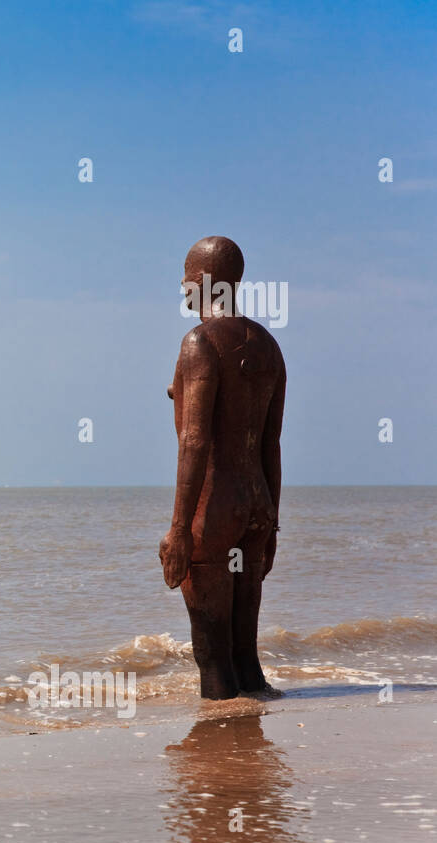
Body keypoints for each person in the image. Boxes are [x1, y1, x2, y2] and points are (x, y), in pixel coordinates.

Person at [160, 237, 286, 700]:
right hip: (256, 505)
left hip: (214, 510)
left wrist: (178, 529)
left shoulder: (200, 342)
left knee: (213, 657)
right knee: (245, 656)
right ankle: (252, 734)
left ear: (204, 282)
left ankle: (220, 750)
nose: (182, 286)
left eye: (187, 278)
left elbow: (194, 441)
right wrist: (272, 522)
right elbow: (270, 442)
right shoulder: (269, 347)